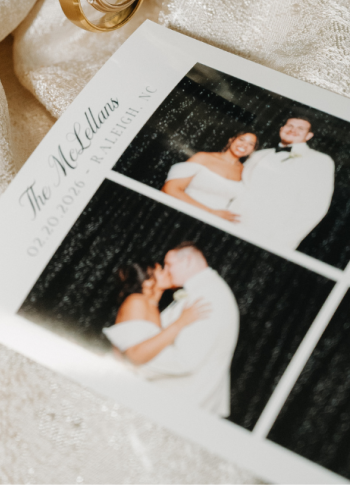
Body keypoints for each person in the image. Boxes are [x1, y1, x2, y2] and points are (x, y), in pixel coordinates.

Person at [137, 242, 240, 417]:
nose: (166, 271)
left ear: (188, 261)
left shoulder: (209, 297)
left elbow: (184, 360)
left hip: (181, 404)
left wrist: (135, 358)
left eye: (169, 264)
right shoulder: (204, 289)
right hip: (176, 400)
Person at [238, 115, 334, 250]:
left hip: (271, 237)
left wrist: (282, 242)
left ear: (309, 136)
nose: (293, 130)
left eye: (300, 128)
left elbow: (315, 207)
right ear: (281, 129)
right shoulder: (259, 154)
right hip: (234, 224)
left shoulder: (320, 161)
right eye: (290, 126)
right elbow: (240, 186)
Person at [103, 261, 210, 365]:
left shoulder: (152, 306)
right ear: (147, 282)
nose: (168, 272)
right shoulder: (136, 301)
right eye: (161, 270)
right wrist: (182, 322)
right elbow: (134, 355)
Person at [161, 130, 257, 223]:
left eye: (250, 144)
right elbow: (170, 189)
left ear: (253, 150)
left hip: (217, 224)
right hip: (184, 215)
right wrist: (210, 212)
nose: (244, 145)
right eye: (241, 139)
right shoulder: (203, 158)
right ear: (231, 140)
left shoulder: (246, 172)